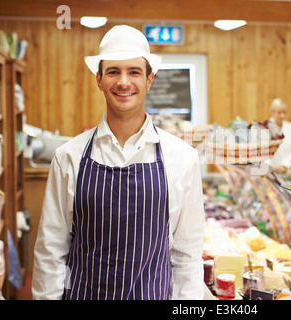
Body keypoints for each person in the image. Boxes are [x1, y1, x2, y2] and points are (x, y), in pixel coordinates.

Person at [31, 25, 205, 300]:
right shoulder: (68, 157)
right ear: (99, 80)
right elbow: (49, 250)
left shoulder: (183, 158)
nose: (123, 82)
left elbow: (187, 255)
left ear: (149, 80)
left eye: (134, 71)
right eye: (113, 71)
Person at [267, 98, 291, 173]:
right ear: (272, 113)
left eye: (284, 112)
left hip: (288, 172)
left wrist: (285, 164)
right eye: (279, 113)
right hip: (269, 172)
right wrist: (270, 166)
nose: (282, 116)